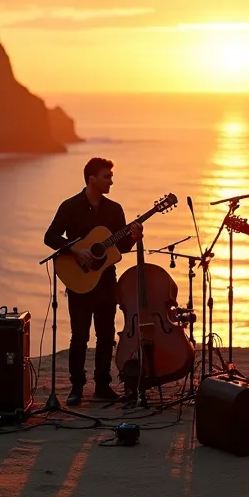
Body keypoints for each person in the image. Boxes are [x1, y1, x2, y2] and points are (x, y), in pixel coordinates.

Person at [44, 157, 142, 405]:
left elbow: (119, 249)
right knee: (79, 337)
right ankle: (76, 387)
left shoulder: (115, 209)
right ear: (92, 179)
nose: (111, 180)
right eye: (107, 176)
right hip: (78, 280)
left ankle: (102, 385)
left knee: (106, 335)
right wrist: (76, 249)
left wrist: (134, 237)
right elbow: (50, 237)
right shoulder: (70, 206)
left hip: (106, 280)